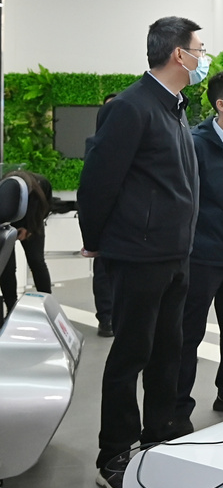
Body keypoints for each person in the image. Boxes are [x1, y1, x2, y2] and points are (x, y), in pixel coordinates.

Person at [79, 16, 203, 488]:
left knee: (168, 353)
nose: (202, 57)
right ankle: (113, 453)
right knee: (131, 353)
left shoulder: (173, 107)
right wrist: (95, 238)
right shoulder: (132, 107)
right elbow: (98, 179)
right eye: (198, 49)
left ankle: (158, 438)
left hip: (175, 253)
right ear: (178, 54)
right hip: (139, 254)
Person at [175, 71, 223, 421]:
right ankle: (177, 407)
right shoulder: (196, 143)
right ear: (222, 105)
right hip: (202, 256)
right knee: (187, 334)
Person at [0, 169, 53, 318]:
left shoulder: (41, 185)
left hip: (33, 221)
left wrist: (30, 229)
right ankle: (11, 308)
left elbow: (45, 208)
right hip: (6, 225)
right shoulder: (5, 187)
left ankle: (47, 304)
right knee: (7, 267)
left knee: (37, 261)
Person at [92, 93, 118, 338]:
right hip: (106, 222)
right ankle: (106, 317)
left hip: (131, 224)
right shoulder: (97, 144)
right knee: (102, 272)